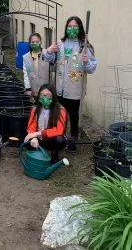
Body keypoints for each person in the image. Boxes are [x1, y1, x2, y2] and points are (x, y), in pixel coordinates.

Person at [47, 16, 97, 151]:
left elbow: (92, 68)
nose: (72, 29)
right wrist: (50, 51)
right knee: (60, 114)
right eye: (70, 26)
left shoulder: (84, 45)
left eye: (75, 26)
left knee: (74, 116)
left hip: (75, 88)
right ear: (66, 28)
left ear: (80, 28)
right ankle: (60, 137)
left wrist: (87, 62)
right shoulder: (60, 43)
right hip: (60, 88)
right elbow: (51, 60)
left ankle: (73, 138)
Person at [24, 84, 67, 163]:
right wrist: (33, 137)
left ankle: (54, 153)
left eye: (47, 95)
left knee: (60, 140)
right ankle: (37, 152)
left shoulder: (60, 110)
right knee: (27, 138)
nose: (44, 98)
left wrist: (37, 133)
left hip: (51, 139)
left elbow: (59, 130)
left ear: (53, 96)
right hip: (39, 138)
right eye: (42, 95)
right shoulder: (35, 109)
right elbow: (31, 126)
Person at [23, 33, 55, 98]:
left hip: (46, 88)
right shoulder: (26, 57)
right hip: (34, 88)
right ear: (29, 43)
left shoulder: (47, 53)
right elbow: (26, 74)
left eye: (37, 41)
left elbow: (53, 69)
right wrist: (28, 88)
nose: (35, 44)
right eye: (33, 42)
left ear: (41, 42)